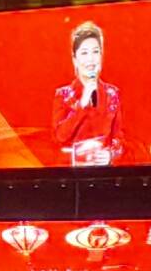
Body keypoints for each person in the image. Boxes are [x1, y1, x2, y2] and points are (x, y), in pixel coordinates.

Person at [51, 17, 125, 167]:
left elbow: (120, 139)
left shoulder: (112, 94)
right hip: (72, 174)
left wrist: (111, 154)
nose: (91, 59)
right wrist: (82, 105)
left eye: (95, 52)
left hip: (104, 173)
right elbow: (59, 137)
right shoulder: (63, 95)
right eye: (84, 53)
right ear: (75, 59)